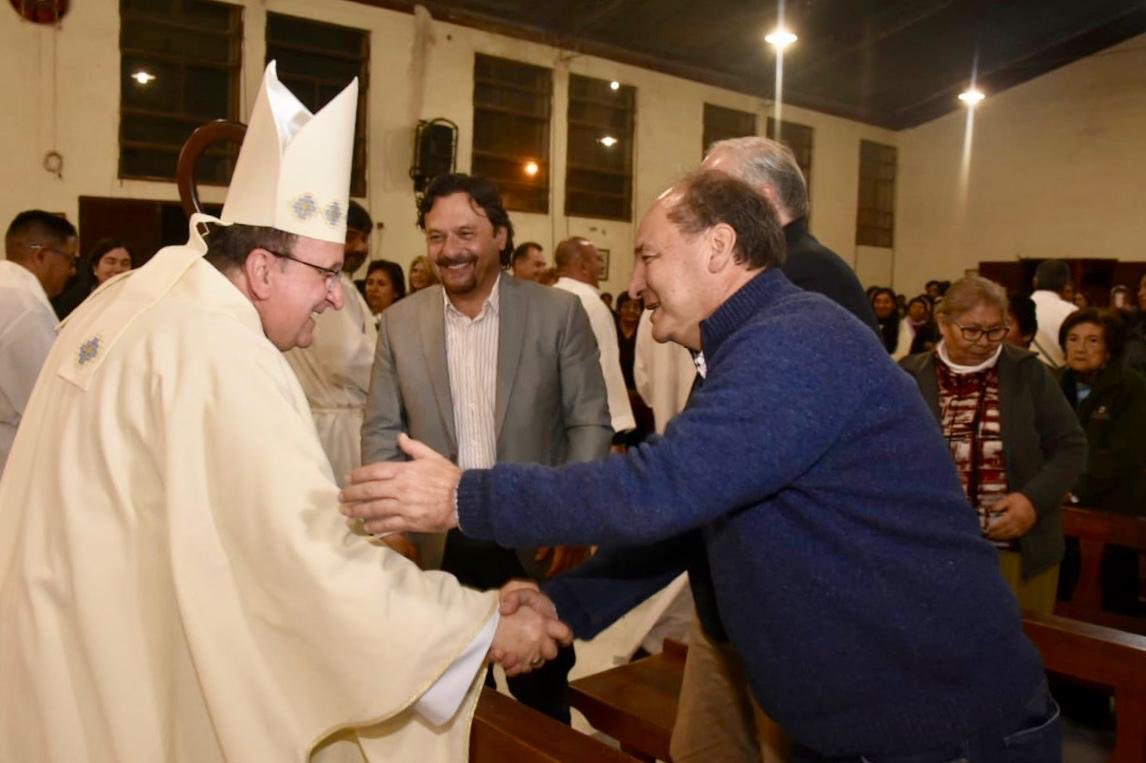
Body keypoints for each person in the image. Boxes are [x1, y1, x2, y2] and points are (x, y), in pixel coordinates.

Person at [343, 170, 1060, 762]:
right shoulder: (746, 348)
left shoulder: (796, 342)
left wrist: (465, 495)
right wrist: (568, 603)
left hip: (941, 726)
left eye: (650, 255)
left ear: (718, 248)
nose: (634, 284)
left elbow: (659, 489)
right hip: (863, 719)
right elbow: (695, 519)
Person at [0, 63, 569, 762]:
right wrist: (478, 627)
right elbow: (305, 569)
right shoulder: (222, 352)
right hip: (122, 658)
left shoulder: (135, 294)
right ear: (264, 269)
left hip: (58, 643)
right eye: (327, 272)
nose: (338, 296)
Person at [360, 173, 612, 723]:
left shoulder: (557, 315)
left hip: (535, 537)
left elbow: (589, 423)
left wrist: (574, 516)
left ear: (500, 236)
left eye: (466, 233)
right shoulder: (400, 324)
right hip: (437, 549)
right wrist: (394, 531)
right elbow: (382, 430)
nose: (450, 251)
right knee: (445, 704)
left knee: (541, 702)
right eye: (435, 236)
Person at [900, 276, 1086, 613]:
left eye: (996, 330)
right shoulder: (909, 376)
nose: (984, 341)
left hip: (1016, 549)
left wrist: (1032, 500)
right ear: (943, 323)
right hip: (932, 549)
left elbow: (1071, 446)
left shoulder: (1028, 373)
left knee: (1021, 655)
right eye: (971, 330)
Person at [703, 136, 877, 330]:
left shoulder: (806, 272)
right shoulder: (790, 263)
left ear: (764, 199)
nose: (702, 208)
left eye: (716, 194)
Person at [1057, 308, 1146, 616]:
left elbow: (1123, 454)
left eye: (1092, 340)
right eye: (1073, 339)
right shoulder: (1053, 383)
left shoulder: (1132, 388)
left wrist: (1073, 489)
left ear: (1110, 349)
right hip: (1056, 507)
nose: (1080, 348)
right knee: (1059, 592)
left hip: (1113, 506)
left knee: (1114, 596)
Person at [285, 200, 379, 487]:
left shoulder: (331, 282)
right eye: (351, 237)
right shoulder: (331, 286)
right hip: (336, 429)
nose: (361, 248)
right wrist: (395, 378)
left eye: (365, 239)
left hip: (324, 420)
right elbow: (347, 359)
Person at [1, 209, 77, 476]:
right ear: (41, 254)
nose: (71, 271)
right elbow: (47, 397)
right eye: (69, 259)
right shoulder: (25, 308)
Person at [553, 236, 636, 436]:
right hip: (586, 422)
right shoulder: (590, 303)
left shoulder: (545, 298)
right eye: (597, 259)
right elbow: (606, 367)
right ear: (583, 267)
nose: (601, 265)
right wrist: (618, 427)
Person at [52, 238, 135, 318]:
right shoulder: (76, 300)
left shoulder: (137, 300)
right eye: (111, 262)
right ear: (95, 267)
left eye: (125, 263)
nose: (118, 269)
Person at [614, 292, 655, 446]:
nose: (631, 310)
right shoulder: (612, 331)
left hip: (639, 398)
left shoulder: (645, 333)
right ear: (618, 310)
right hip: (615, 397)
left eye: (636, 307)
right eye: (626, 306)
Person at [1029, 259, 1077, 368]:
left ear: (1035, 281)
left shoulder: (1015, 309)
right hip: (1058, 377)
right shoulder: (1072, 311)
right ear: (1066, 284)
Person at [871, 286, 913, 358]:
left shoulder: (902, 325)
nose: (881, 306)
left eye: (886, 302)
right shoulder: (867, 323)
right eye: (878, 302)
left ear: (894, 305)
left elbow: (902, 354)